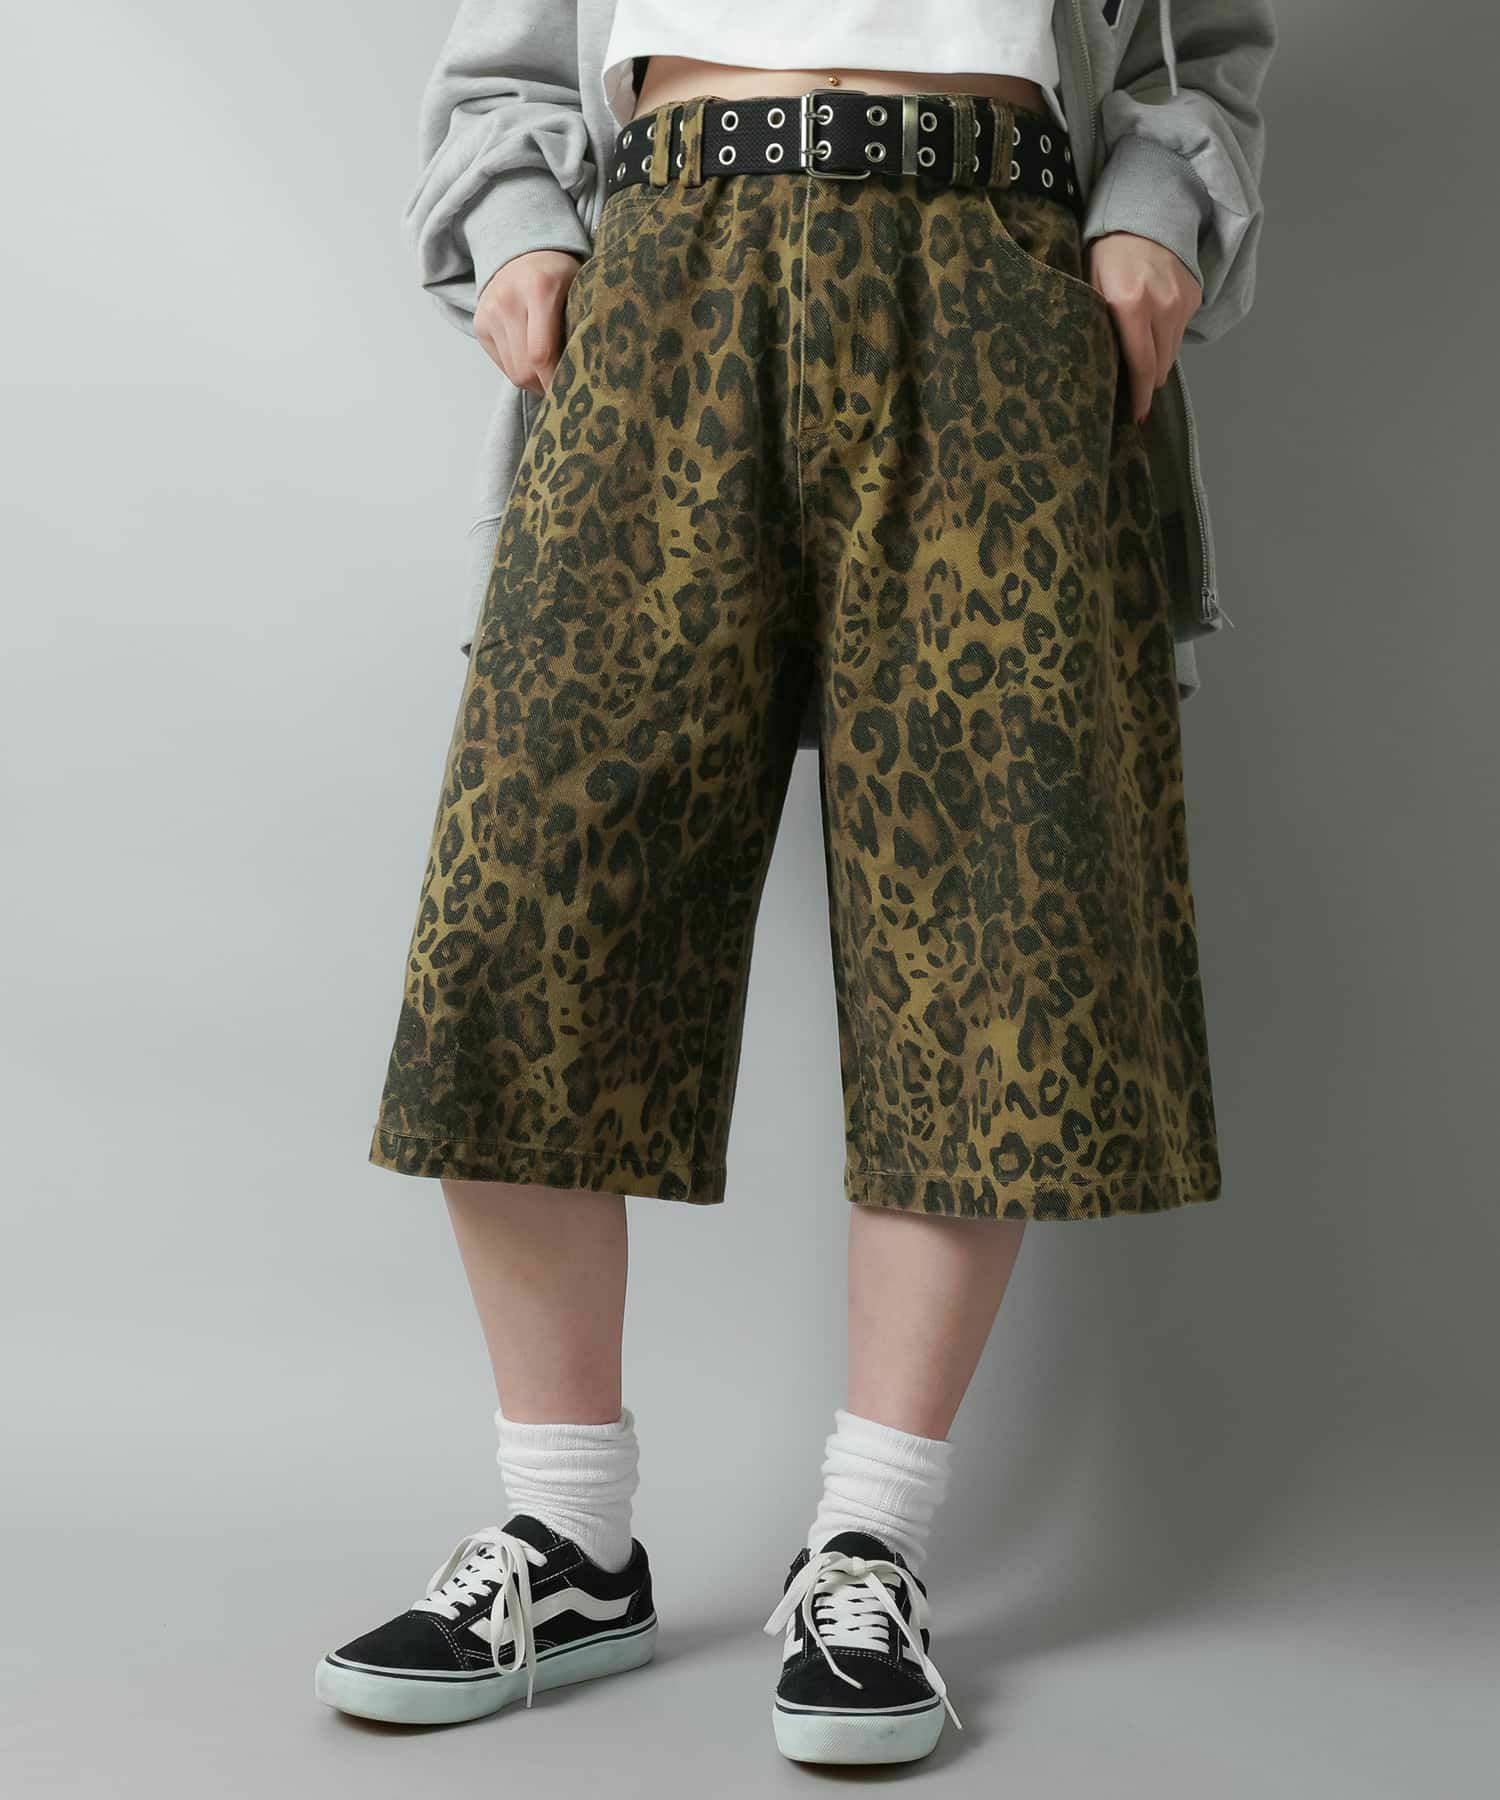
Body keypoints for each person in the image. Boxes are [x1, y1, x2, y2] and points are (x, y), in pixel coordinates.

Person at [316, 0, 1275, 1766]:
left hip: (995, 270)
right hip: (666, 265)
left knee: (988, 928)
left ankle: (868, 1543)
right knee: (528, 903)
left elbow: (1198, 43)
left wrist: (1151, 216)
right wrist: (523, 232)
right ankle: (567, 1535)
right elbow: (507, 59)